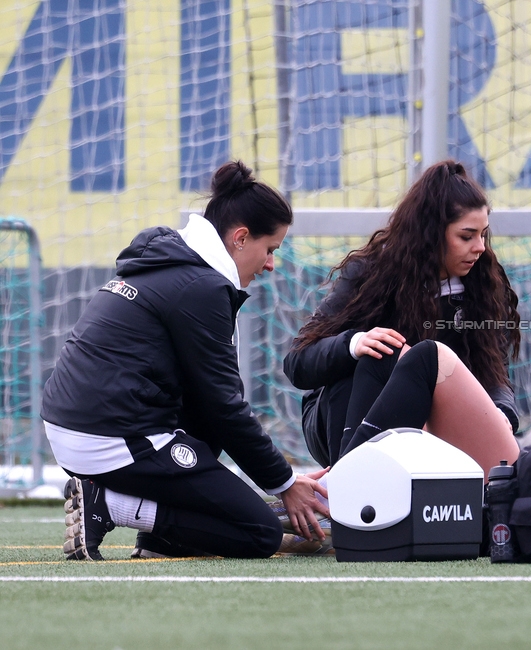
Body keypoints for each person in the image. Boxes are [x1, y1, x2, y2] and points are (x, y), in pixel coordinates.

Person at [41, 161, 330, 561]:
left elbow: (213, 405)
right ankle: (105, 504)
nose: (270, 264)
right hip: (110, 438)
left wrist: (279, 480)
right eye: (270, 249)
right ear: (241, 238)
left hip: (82, 424)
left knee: (207, 420)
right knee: (258, 534)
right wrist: (284, 483)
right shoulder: (202, 287)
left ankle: (160, 539)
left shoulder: (175, 261)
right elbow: (226, 406)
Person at [284, 160, 521, 480]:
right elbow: (298, 361)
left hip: (433, 422)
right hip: (339, 418)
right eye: (466, 236)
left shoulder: (481, 285)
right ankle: (346, 482)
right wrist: (353, 344)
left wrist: (501, 412)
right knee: (381, 353)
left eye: (483, 234)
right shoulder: (371, 273)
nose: (479, 247)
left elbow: (495, 374)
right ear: (431, 233)